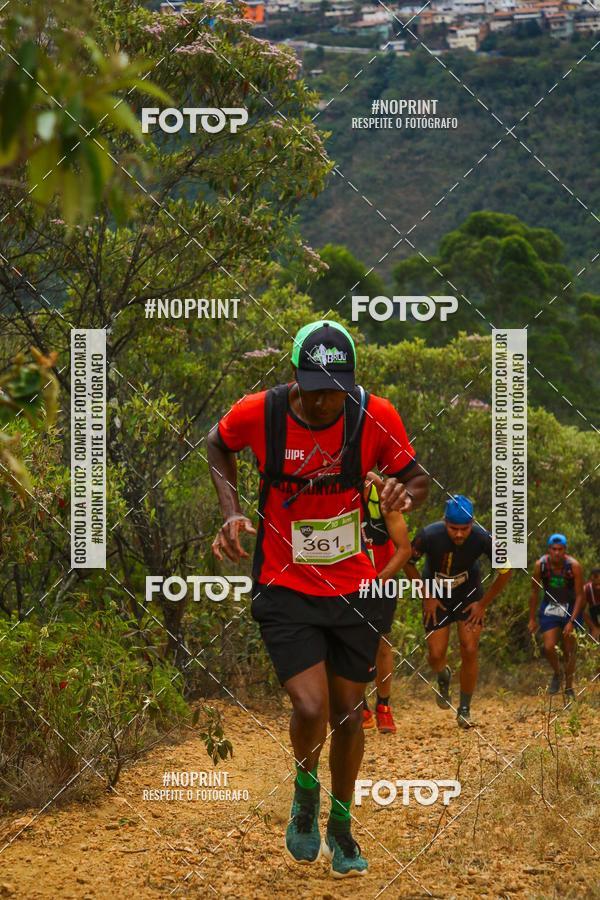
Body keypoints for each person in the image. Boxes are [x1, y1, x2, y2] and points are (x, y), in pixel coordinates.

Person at [207, 320, 429, 877]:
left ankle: (343, 824)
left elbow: (416, 477)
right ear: (294, 379)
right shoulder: (262, 412)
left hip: (356, 587)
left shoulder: (376, 414)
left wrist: (405, 489)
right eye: (313, 387)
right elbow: (217, 443)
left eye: (335, 387)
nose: (325, 399)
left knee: (350, 717)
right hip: (285, 582)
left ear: (352, 381)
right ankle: (306, 794)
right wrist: (231, 509)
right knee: (311, 706)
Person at [404, 496, 512, 729]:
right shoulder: (429, 535)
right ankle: (444, 676)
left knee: (470, 648)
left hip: (468, 594)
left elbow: (506, 570)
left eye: (465, 528)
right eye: (454, 529)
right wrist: (426, 596)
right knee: (435, 654)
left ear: (473, 522)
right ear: (445, 522)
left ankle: (464, 708)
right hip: (436, 594)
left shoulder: (484, 538)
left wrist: (482, 603)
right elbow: (407, 562)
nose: (460, 534)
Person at [361, 471, 411, 735]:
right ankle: (359, 706)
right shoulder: (331, 491)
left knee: (381, 643)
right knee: (346, 643)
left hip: (381, 581)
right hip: (346, 584)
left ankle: (383, 706)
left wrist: (380, 579)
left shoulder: (380, 496)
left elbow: (404, 549)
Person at [529, 534, 585, 699]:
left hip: (570, 608)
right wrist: (532, 618)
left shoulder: (574, 566)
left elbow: (580, 596)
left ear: (565, 550)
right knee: (549, 647)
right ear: (549, 550)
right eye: (554, 549)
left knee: (569, 650)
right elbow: (534, 592)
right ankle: (557, 672)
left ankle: (568, 688)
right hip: (550, 607)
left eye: (560, 549)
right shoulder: (541, 565)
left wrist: (571, 621)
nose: (557, 553)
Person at [583, 567, 600, 641]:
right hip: (595, 623)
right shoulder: (586, 590)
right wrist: (594, 628)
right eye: (595, 578)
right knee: (594, 641)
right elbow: (582, 612)